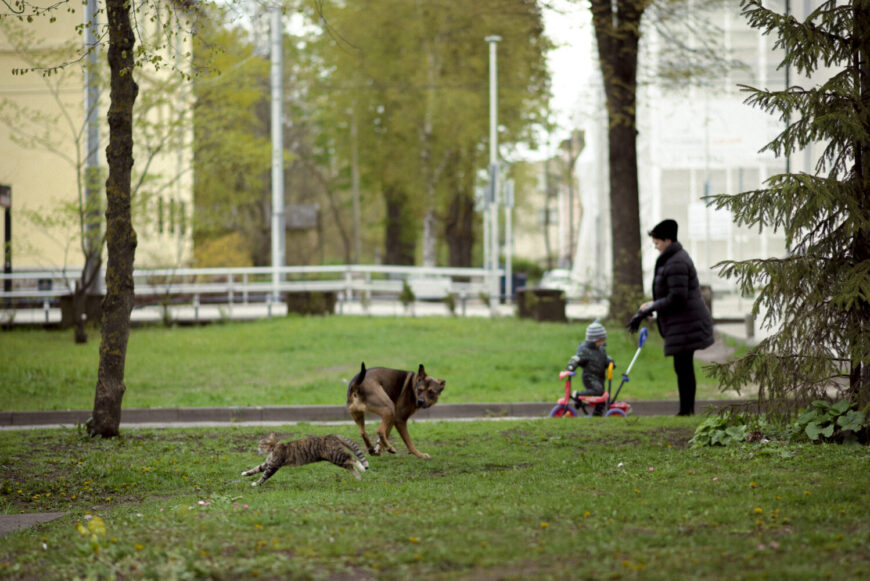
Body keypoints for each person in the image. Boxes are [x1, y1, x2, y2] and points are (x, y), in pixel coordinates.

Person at [627, 219, 714, 416]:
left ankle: (686, 411)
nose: (656, 246)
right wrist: (652, 304)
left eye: (657, 242)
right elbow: (672, 294)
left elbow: (677, 297)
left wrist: (652, 307)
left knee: (683, 367)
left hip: (687, 322)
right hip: (683, 321)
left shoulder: (676, 262)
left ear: (668, 240)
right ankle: (686, 410)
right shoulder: (673, 259)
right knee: (682, 366)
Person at [566, 320, 614, 416]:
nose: (602, 342)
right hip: (589, 377)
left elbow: (604, 359)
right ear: (593, 340)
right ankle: (578, 395)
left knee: (602, 396)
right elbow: (577, 358)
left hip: (600, 377)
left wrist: (610, 362)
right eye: (600, 340)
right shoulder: (585, 350)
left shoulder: (601, 350)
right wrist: (571, 366)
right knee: (598, 390)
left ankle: (597, 414)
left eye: (603, 340)